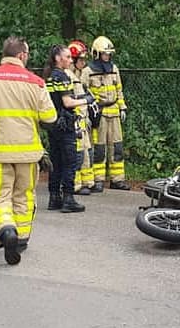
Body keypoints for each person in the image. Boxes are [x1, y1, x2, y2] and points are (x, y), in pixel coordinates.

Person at [0, 36, 57, 265]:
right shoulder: (36, 82)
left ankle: (7, 231)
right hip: (28, 154)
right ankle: (22, 239)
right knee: (24, 196)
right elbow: (50, 119)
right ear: (22, 55)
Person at [43, 44, 93, 214]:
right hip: (66, 124)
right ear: (58, 59)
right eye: (68, 57)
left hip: (53, 124)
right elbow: (68, 102)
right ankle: (68, 199)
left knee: (55, 162)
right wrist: (87, 100)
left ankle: (54, 197)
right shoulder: (63, 76)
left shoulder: (49, 76)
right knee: (70, 162)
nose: (70, 60)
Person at [79, 35, 130, 191]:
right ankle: (98, 179)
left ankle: (117, 179)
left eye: (109, 54)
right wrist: (86, 113)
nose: (107, 57)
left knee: (117, 147)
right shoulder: (88, 71)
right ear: (96, 54)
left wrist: (122, 107)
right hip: (98, 113)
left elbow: (119, 90)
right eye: (104, 54)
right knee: (99, 148)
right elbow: (82, 92)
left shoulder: (114, 69)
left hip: (114, 112)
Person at [68, 39, 96, 195]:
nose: (84, 62)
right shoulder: (68, 76)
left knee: (86, 151)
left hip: (83, 120)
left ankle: (87, 182)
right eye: (81, 59)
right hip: (75, 121)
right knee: (77, 154)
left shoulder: (79, 75)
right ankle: (75, 184)